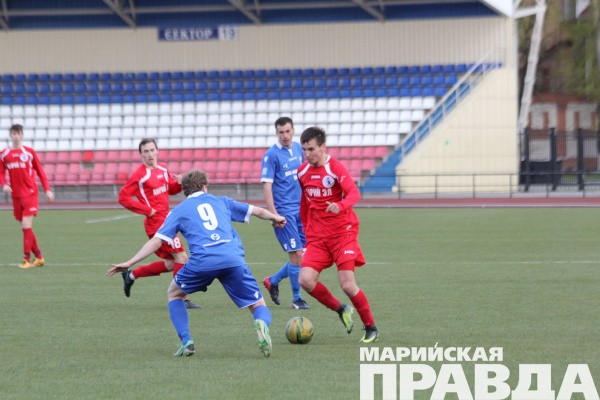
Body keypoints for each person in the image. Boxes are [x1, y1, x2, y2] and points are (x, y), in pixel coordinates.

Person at [108, 169, 285, 357]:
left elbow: (157, 241)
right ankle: (261, 323)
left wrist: (130, 261)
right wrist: (276, 217)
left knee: (174, 294)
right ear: (204, 186)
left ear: (184, 190)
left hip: (202, 262)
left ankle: (186, 341)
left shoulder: (178, 211)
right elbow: (257, 211)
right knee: (257, 304)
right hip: (232, 258)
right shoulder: (222, 201)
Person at [296, 126, 379, 343]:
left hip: (343, 233)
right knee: (305, 280)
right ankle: (341, 309)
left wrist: (340, 205)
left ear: (322, 147)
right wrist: (305, 228)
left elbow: (354, 194)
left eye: (311, 149)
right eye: (304, 150)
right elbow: (305, 202)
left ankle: (370, 327)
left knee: (347, 284)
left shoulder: (335, 168)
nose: (307, 154)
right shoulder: (302, 172)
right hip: (317, 237)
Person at [117, 138, 201, 309]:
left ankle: (131, 275)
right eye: (145, 151)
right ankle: (181, 300)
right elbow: (123, 197)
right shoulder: (140, 175)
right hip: (156, 223)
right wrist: (147, 210)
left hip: (167, 221)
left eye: (152, 150)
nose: (149, 154)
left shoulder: (162, 169)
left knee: (172, 264)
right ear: (141, 154)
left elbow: (170, 189)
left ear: (157, 151)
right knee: (182, 258)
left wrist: (179, 183)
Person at [260, 117, 309, 310]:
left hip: (301, 210)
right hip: (284, 213)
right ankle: (297, 298)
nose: (285, 135)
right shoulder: (271, 155)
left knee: (303, 255)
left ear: (293, 130)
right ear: (276, 133)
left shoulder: (298, 149)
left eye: (288, 131)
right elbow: (267, 185)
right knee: (296, 255)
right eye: (281, 132)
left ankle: (273, 280)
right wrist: (273, 215)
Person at [0, 124, 54, 269]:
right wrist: (4, 185)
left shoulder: (29, 152)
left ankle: (26, 259)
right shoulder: (4, 154)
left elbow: (40, 171)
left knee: (26, 226)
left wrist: (47, 189)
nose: (16, 136)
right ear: (10, 135)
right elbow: (0, 173)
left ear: (22, 134)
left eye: (18, 133)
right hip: (16, 196)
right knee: (26, 228)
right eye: (14, 133)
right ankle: (39, 257)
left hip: (30, 194)